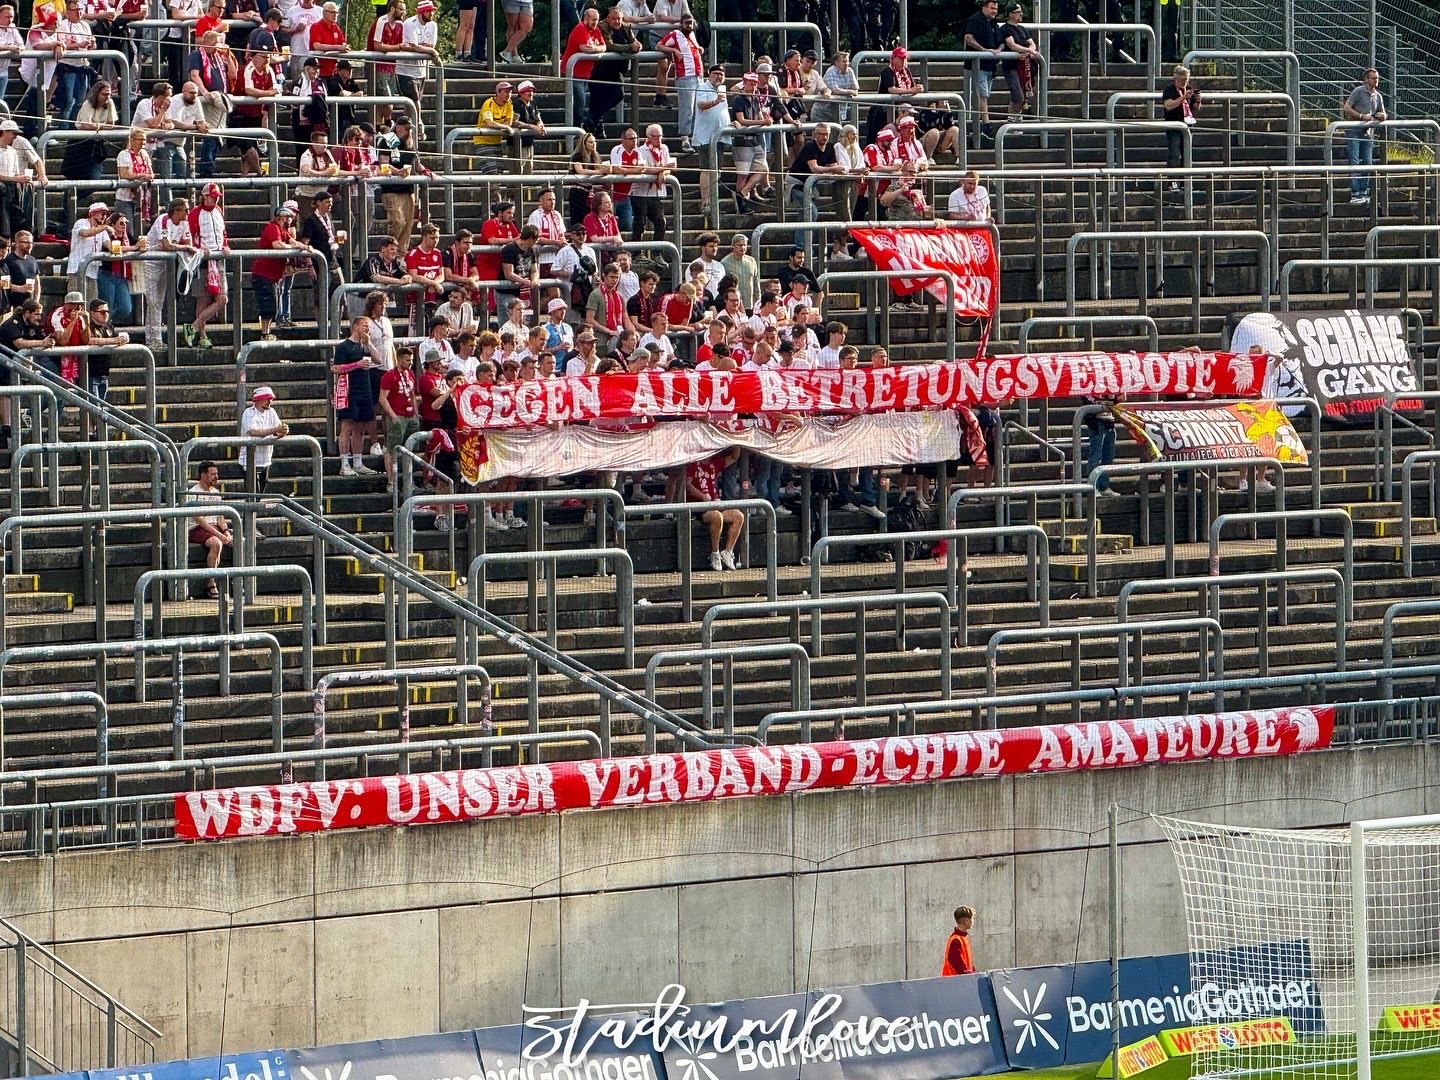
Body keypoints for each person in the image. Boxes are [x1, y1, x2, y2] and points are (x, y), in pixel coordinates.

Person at [143, 197, 195, 349]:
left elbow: (188, 243)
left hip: (165, 264)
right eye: (185, 209)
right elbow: (166, 245)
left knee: (158, 302)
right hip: (151, 262)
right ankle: (154, 339)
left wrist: (183, 247)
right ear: (176, 211)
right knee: (153, 302)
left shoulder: (185, 222)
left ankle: (154, 339)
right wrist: (184, 248)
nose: (188, 212)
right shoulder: (164, 219)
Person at [333, 315, 380, 476]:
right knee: (347, 427)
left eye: (369, 326)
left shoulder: (366, 345)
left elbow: (379, 360)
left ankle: (358, 462)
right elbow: (336, 368)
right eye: (365, 325)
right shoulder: (343, 347)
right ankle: (344, 463)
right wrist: (356, 365)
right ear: (356, 327)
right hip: (349, 392)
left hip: (365, 390)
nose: (368, 329)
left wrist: (369, 343)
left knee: (361, 427)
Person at [252, 201, 304, 340]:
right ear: (281, 218)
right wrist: (291, 249)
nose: (289, 221)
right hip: (264, 273)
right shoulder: (273, 228)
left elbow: (293, 241)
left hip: (273, 275)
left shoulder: (283, 231)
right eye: (287, 218)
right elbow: (277, 245)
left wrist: (305, 247)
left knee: (272, 304)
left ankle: (267, 332)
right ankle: (265, 333)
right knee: (268, 305)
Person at [187, 182, 229, 349]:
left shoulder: (218, 211)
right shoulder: (195, 214)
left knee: (222, 299)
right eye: (213, 197)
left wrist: (226, 245)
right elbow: (188, 237)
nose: (215, 200)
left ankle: (193, 327)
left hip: (217, 259)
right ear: (205, 196)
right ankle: (202, 336)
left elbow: (223, 233)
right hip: (201, 261)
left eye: (217, 197)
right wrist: (198, 249)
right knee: (202, 300)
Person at [657, 13, 704, 155]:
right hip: (685, 76)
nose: (689, 25)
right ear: (681, 24)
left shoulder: (692, 36)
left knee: (697, 108)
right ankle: (685, 138)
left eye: (691, 23)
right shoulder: (675, 34)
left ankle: (695, 137)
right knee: (687, 108)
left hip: (698, 76)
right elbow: (659, 46)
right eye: (686, 23)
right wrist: (674, 50)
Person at [687, 450, 743, 570]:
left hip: (714, 503)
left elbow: (734, 456)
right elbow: (687, 485)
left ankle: (728, 551)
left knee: (738, 516)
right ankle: (715, 553)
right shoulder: (692, 464)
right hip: (699, 507)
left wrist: (737, 440)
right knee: (717, 516)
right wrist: (701, 496)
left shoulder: (714, 463)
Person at [397, 0, 440, 142]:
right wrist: (429, 50)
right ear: (421, 12)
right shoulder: (410, 23)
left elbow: (428, 45)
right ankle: (419, 124)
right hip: (405, 69)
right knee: (414, 100)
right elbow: (415, 47)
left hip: (421, 70)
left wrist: (426, 49)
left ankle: (406, 132)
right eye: (429, 11)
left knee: (410, 103)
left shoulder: (433, 25)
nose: (431, 13)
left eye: (432, 10)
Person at [188, 461, 232, 597]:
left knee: (240, 540)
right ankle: (211, 583)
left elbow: (220, 517)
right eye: (212, 474)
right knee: (216, 543)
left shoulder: (216, 492)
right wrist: (219, 535)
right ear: (203, 475)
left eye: (216, 474)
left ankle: (238, 581)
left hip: (215, 527)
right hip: (197, 528)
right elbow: (200, 520)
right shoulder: (193, 493)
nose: (216, 477)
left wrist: (225, 531)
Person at [377, 344, 418, 491]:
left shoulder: (411, 374)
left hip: (410, 415)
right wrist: (393, 415)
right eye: (407, 360)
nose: (410, 363)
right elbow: (382, 398)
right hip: (397, 415)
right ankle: (391, 482)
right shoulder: (389, 375)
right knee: (392, 448)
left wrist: (416, 413)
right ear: (399, 359)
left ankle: (408, 482)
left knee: (409, 449)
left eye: (411, 360)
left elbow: (412, 394)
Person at [376, 116, 419, 248]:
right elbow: (384, 163)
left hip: (407, 190)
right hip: (392, 189)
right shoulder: (387, 141)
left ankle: (400, 254)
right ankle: (390, 248)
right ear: (398, 128)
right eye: (406, 129)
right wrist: (398, 172)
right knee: (397, 221)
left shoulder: (410, 143)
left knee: (408, 223)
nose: (409, 132)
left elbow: (417, 163)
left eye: (410, 129)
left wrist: (426, 171)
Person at [560, 8, 606, 131]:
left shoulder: (595, 30)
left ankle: (580, 126)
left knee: (583, 101)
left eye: (597, 20)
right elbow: (585, 48)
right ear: (585, 19)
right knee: (580, 101)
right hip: (573, 72)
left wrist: (596, 49)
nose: (595, 23)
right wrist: (598, 49)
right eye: (593, 20)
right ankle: (577, 127)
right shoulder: (580, 28)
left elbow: (604, 46)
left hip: (585, 73)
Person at [238, 384, 289, 490]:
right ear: (259, 400)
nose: (270, 401)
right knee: (253, 493)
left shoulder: (272, 412)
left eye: (271, 399)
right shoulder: (249, 413)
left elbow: (278, 431)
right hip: (250, 461)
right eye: (267, 398)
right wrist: (274, 430)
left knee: (261, 492)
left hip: (266, 459)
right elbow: (253, 432)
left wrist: (283, 431)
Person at [962, 1, 1002, 130]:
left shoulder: (993, 23)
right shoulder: (975, 20)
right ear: (984, 7)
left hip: (990, 65)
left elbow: (1001, 41)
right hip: (977, 64)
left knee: (985, 95)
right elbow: (968, 38)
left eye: (996, 8)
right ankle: (986, 124)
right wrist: (984, 50)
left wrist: (998, 50)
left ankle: (982, 123)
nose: (994, 11)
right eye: (991, 8)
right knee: (982, 95)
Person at [999, 4, 1040, 122]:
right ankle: (1012, 119)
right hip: (1012, 66)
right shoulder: (1005, 29)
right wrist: (1027, 50)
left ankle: (1016, 118)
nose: (1021, 14)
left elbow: (1032, 43)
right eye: (1018, 12)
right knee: (1018, 95)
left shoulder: (1022, 28)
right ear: (1011, 14)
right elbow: (1011, 45)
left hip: (1025, 67)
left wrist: (1028, 50)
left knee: (1022, 95)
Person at [1161, 64, 1200, 180]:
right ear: (1176, 78)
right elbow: (1168, 106)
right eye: (1183, 79)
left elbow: (1195, 107)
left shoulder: (1189, 88)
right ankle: (1173, 181)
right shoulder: (1169, 90)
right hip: (1174, 124)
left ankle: (1185, 181)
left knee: (1186, 153)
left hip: (1188, 123)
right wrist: (1183, 98)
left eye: (1186, 79)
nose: (1185, 82)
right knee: (1174, 152)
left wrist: (1198, 101)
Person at [473, 79, 516, 172]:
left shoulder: (509, 105)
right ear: (498, 92)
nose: (508, 94)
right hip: (483, 142)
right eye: (506, 92)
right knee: (491, 171)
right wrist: (506, 127)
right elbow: (489, 123)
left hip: (497, 141)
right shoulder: (489, 104)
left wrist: (503, 126)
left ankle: (487, 186)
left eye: (510, 92)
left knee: (499, 171)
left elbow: (509, 121)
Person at [817, 51, 859, 126]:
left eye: (847, 61)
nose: (846, 63)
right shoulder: (831, 71)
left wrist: (851, 91)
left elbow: (855, 89)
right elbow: (835, 90)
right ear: (836, 62)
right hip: (823, 112)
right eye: (843, 61)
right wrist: (850, 91)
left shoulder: (850, 71)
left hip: (840, 112)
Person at [721, 233, 760, 312]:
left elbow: (756, 282)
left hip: (750, 305)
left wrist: (758, 300)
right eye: (739, 245)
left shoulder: (751, 261)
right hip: (734, 305)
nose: (742, 248)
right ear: (733, 245)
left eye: (744, 245)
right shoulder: (725, 262)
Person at [941, 906, 976, 976]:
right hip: (953, 981)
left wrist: (972, 973)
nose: (973, 921)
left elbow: (967, 962)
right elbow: (955, 961)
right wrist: (967, 974)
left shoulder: (963, 938)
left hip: (960, 979)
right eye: (971, 919)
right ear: (966, 921)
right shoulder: (956, 940)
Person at [499, 0, 534, 64]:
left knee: (527, 27)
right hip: (511, 1)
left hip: (527, 1)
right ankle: (514, 55)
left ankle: (507, 51)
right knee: (512, 27)